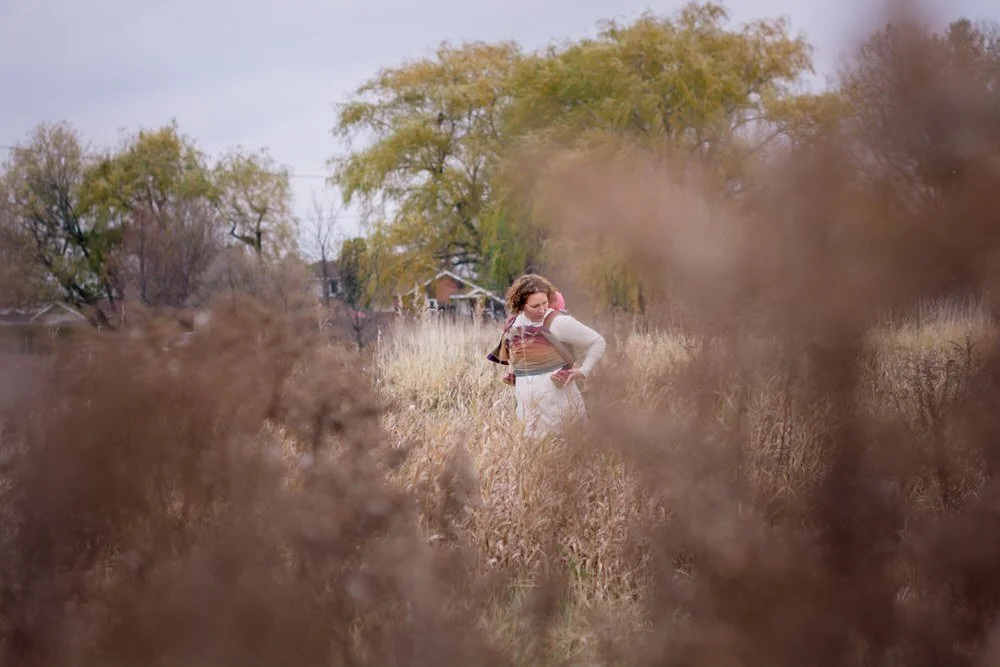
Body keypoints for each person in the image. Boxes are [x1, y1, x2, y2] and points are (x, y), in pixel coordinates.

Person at [487, 274, 606, 439]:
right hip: (527, 411)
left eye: (545, 303)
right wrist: (519, 374)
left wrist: (583, 371)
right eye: (535, 306)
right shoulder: (514, 325)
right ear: (520, 306)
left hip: (561, 408)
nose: (542, 309)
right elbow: (520, 358)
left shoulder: (558, 322)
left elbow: (597, 341)